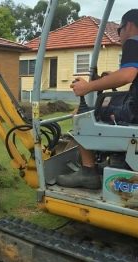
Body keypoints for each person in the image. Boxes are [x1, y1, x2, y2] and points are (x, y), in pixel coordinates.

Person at [57, 9, 138, 189]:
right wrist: (108, 79)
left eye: (119, 30)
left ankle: (88, 171)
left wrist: (87, 87)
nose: (119, 36)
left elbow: (127, 75)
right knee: (106, 99)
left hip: (135, 110)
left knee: (83, 114)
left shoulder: (134, 42)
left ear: (129, 25)